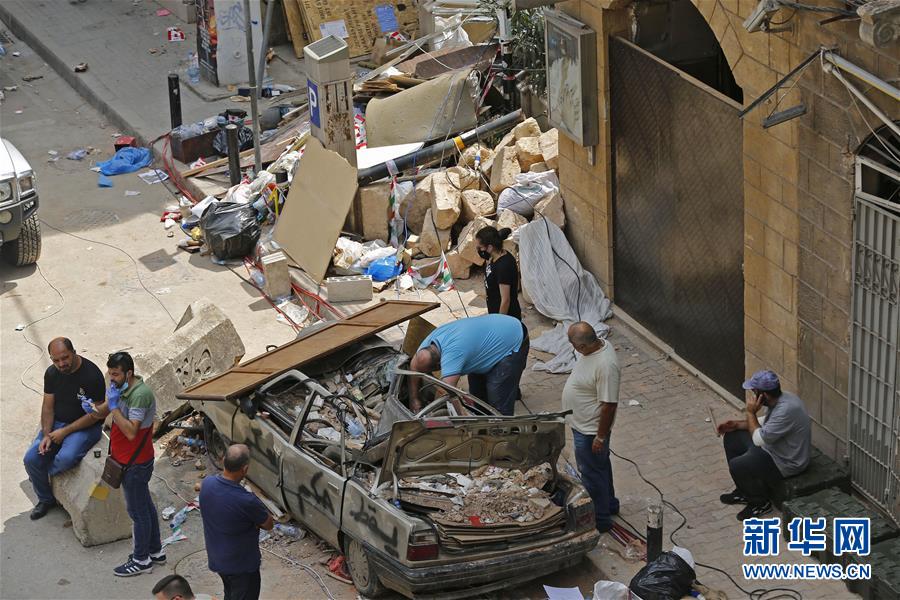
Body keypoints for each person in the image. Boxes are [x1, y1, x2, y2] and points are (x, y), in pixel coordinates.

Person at [88, 351, 163, 576]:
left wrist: (112, 408)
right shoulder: (122, 387)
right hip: (126, 459)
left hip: (136, 464)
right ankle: (155, 551)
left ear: (128, 373)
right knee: (146, 507)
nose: (112, 378)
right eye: (110, 373)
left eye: (115, 374)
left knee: (137, 512)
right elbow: (108, 406)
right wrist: (93, 410)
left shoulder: (140, 395)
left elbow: (131, 431)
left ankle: (141, 560)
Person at [23, 337, 105, 520]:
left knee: (66, 458)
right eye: (56, 360)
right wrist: (46, 434)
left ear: (74, 352)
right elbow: (48, 407)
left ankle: (45, 475)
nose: (61, 363)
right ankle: (45, 499)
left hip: (86, 427)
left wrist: (65, 432)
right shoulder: (52, 373)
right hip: (58, 422)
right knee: (31, 459)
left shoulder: (92, 375)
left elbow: (97, 414)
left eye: (65, 358)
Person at [717, 370, 811, 521]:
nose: (753, 396)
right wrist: (736, 425)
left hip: (787, 462)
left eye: (754, 391)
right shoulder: (779, 400)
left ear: (764, 395)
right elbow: (764, 423)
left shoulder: (787, 409)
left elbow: (759, 439)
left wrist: (750, 412)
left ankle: (759, 503)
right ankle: (744, 491)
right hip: (773, 448)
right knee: (732, 436)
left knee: (738, 465)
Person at [562, 322, 620, 533]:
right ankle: (610, 504)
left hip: (590, 432)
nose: (573, 348)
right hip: (584, 426)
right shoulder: (596, 349)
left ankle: (601, 520)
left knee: (591, 475)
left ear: (584, 346)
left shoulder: (606, 365)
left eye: (574, 344)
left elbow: (609, 405)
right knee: (600, 467)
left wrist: (600, 437)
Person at [408, 314, 529, 416]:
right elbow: (414, 368)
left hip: (512, 338)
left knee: (498, 400)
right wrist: (414, 399)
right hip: (489, 336)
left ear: (440, 364)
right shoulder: (426, 347)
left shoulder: (453, 354)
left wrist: (430, 415)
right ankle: (485, 422)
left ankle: (505, 434)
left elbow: (446, 392)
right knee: (478, 396)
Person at [200, 444, 274, 600]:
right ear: (245, 469)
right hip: (242, 566)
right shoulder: (247, 500)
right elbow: (268, 524)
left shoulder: (207, 484)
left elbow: (200, 487)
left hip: (218, 560)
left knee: (231, 594)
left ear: (223, 460)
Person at [476, 226, 521, 321]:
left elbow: (506, 300)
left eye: (480, 247)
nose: (479, 250)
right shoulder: (495, 256)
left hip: (507, 317)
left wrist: (499, 323)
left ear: (490, 247)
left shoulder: (503, 266)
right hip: (495, 310)